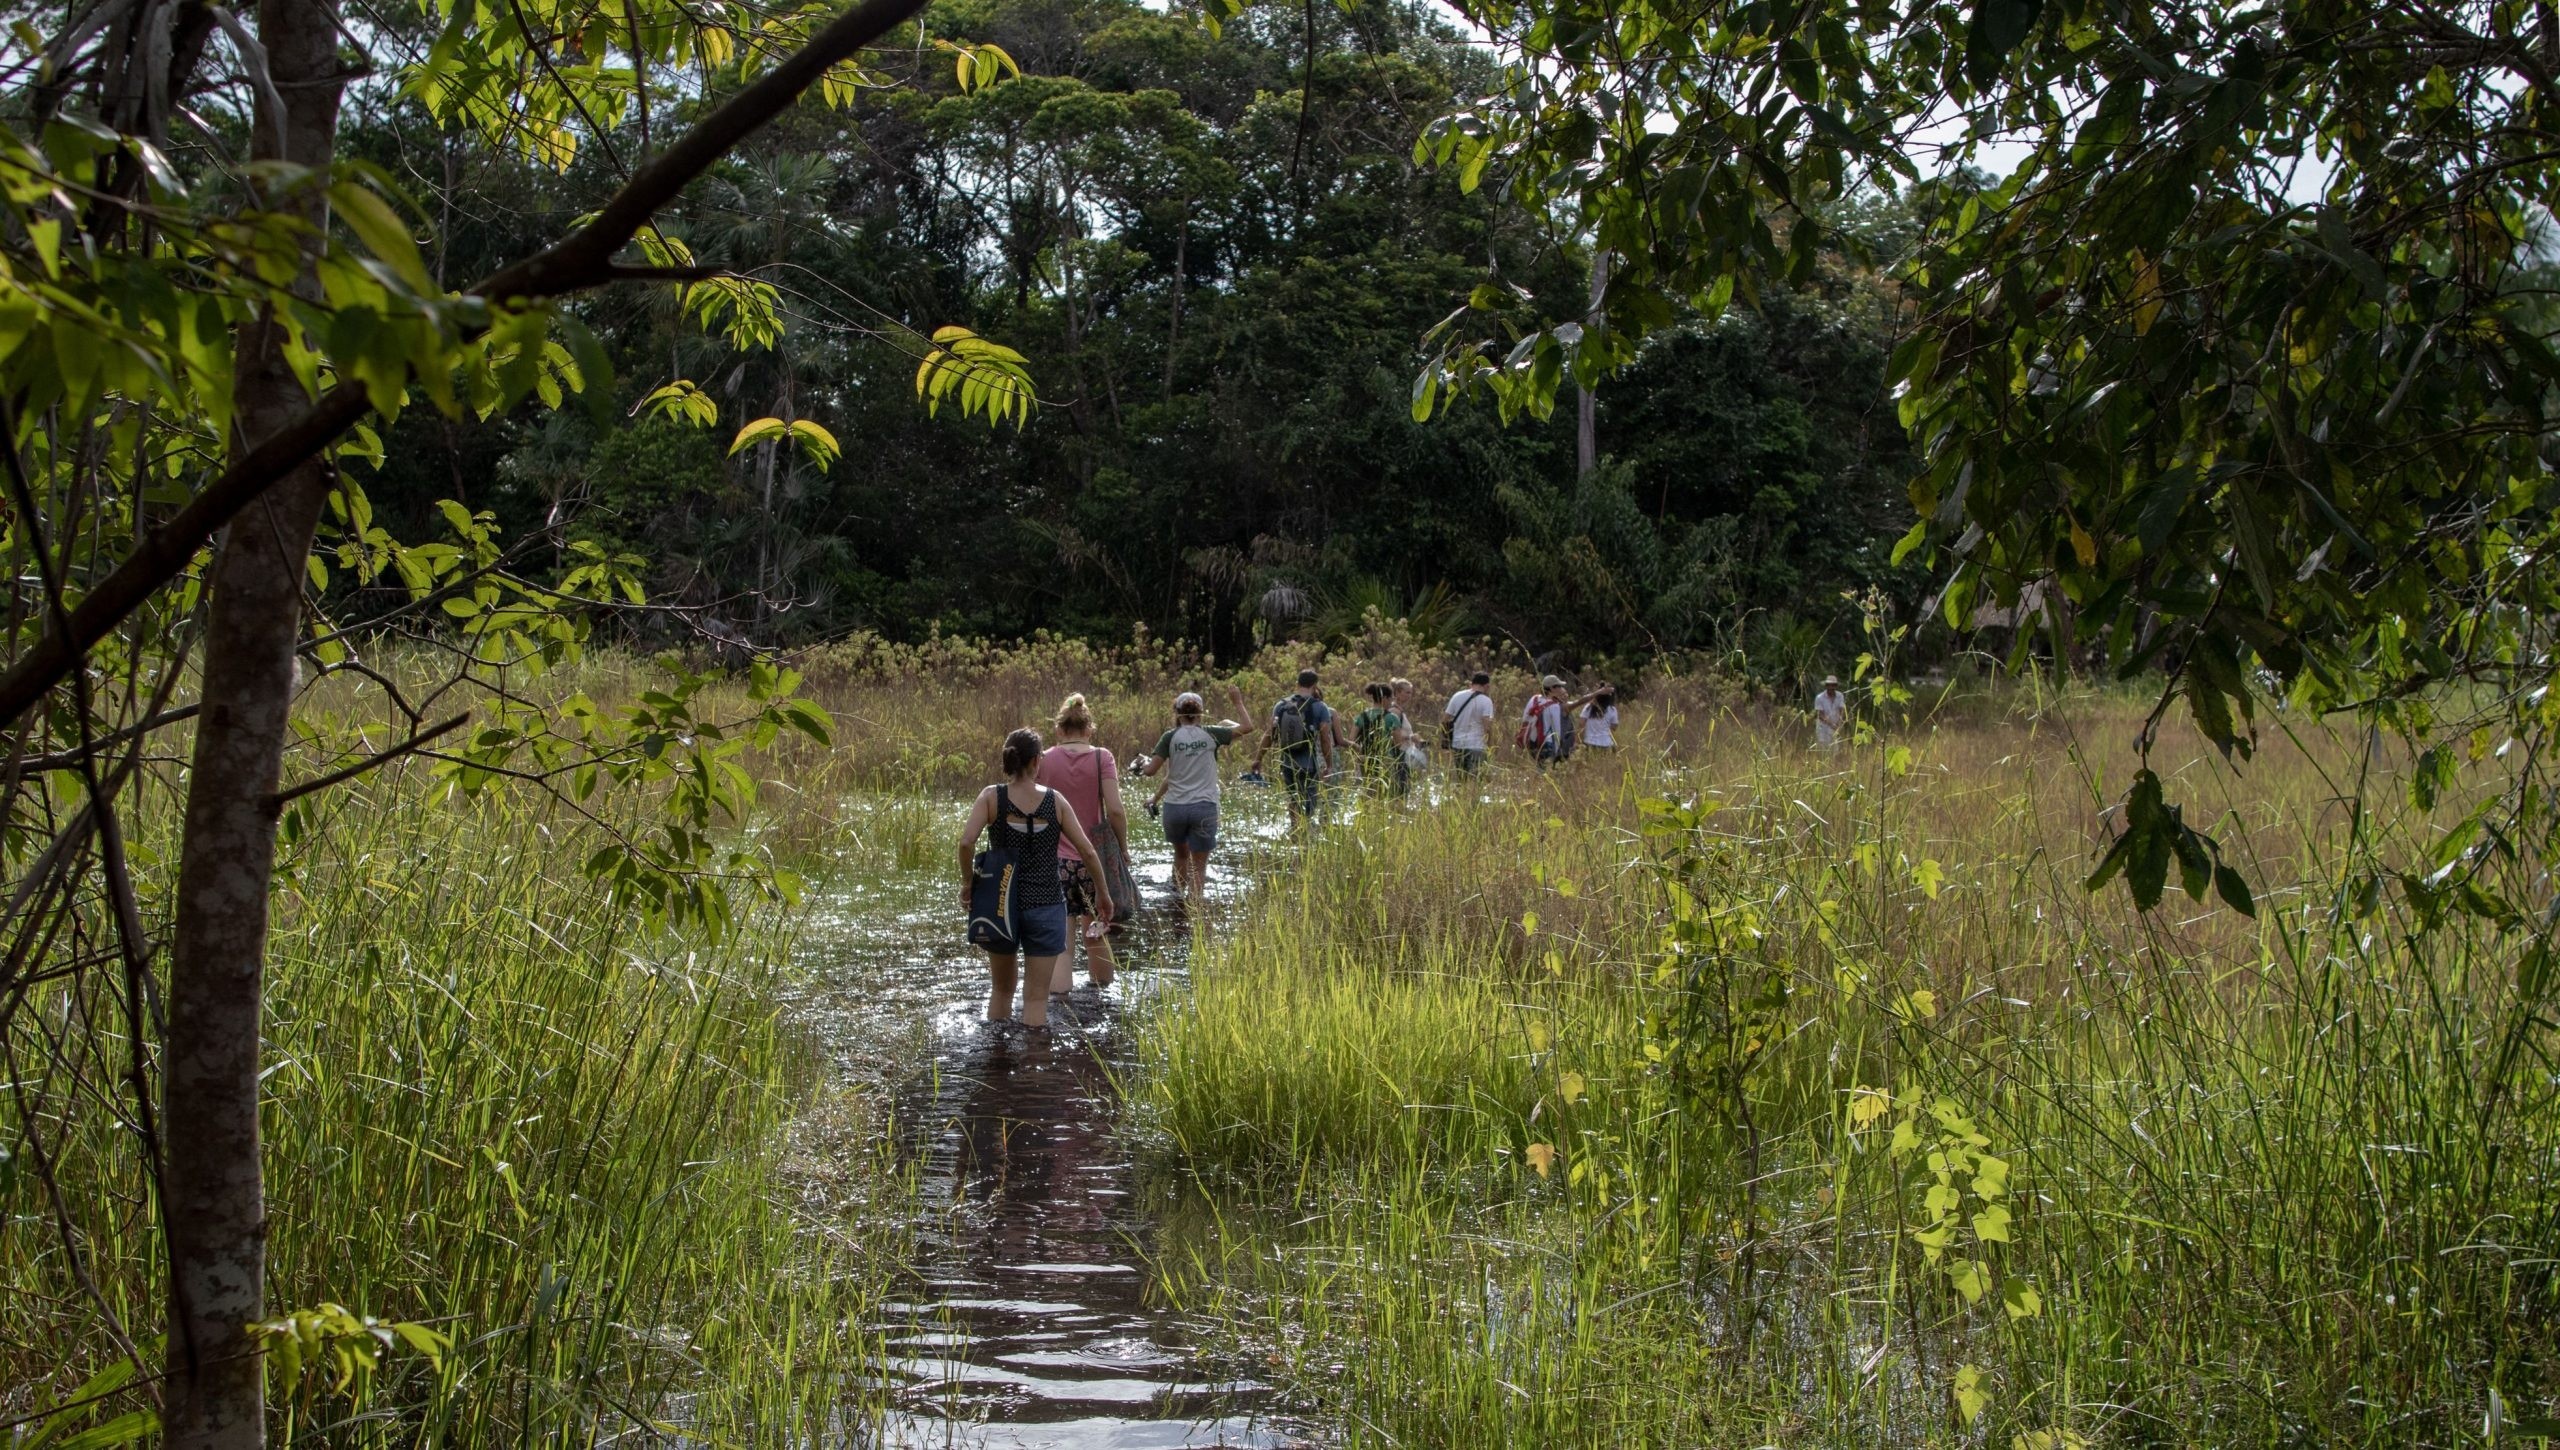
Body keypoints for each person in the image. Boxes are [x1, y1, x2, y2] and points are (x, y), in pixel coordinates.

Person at [956, 728, 1113, 1029]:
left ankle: (997, 1065)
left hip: (1001, 906)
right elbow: (1087, 851)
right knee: (1037, 999)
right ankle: (1034, 1068)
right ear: (1036, 762)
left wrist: (968, 883)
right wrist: (1103, 895)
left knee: (1001, 991)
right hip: (1046, 904)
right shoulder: (1054, 801)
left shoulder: (992, 797)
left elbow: (966, 843)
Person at [1037, 693, 1126, 995]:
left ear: (1059, 730)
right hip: (1094, 861)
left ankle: (1061, 1008)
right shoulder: (1103, 757)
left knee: (1062, 942)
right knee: (1097, 933)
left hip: (1053, 862)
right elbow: (1115, 809)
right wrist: (1123, 849)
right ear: (1089, 729)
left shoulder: (1044, 759)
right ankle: (1101, 1005)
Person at [1139, 684, 1257, 908]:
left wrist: (1147, 775)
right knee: (1199, 867)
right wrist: (1237, 701)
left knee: (1180, 856)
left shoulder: (1170, 737)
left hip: (1174, 809)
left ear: (1177, 712)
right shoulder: (1212, 733)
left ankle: (1176, 907)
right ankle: (1194, 916)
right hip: (1204, 807)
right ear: (1200, 712)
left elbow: (1153, 771)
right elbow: (1248, 727)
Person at [1250, 669, 1334, 825]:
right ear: (1315, 686)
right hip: (1309, 763)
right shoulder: (1320, 707)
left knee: (1293, 797)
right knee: (1310, 800)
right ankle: (1304, 830)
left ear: (1297, 684)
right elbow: (1325, 738)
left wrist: (1258, 758)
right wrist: (1329, 765)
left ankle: (1294, 829)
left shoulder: (1281, 705)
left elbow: (1269, 734)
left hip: (1287, 762)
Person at [1351, 681, 1411, 797]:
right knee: (1384, 794)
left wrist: (1358, 756)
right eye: (1390, 699)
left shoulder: (1360, 717)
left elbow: (1351, 740)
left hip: (1364, 759)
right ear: (1384, 698)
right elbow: (1398, 744)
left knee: (1367, 792)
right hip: (1385, 759)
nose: (1391, 702)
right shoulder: (1391, 718)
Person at [1442, 671, 1496, 774]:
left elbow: (1444, 720)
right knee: (1477, 779)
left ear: (1472, 683)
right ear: (1487, 686)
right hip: (1477, 746)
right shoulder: (1486, 701)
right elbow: (1487, 727)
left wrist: (1446, 741)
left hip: (1458, 745)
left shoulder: (1457, 696)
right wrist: (1489, 746)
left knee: (1462, 780)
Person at [1519, 674, 1573, 766]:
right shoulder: (1554, 706)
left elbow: (1525, 719)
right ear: (1552, 689)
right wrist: (1556, 752)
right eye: (1559, 686)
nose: (1561, 689)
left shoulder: (1534, 699)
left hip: (1532, 742)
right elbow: (1557, 733)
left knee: (1538, 768)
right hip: (1547, 745)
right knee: (1546, 773)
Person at [1573, 685, 1619, 753]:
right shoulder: (1612, 710)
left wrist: (1576, 742)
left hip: (1590, 743)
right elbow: (1614, 727)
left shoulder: (1588, 707)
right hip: (1606, 744)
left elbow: (1581, 725)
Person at [1813, 675, 1850, 747]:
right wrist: (1831, 724)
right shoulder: (1819, 697)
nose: (1831, 687)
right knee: (1823, 750)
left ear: (1836, 686)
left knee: (1835, 750)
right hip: (1823, 728)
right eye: (1829, 685)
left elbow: (1842, 710)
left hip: (1835, 728)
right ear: (1826, 686)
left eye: (1833, 685)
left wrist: (1839, 723)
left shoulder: (1840, 696)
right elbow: (1820, 714)